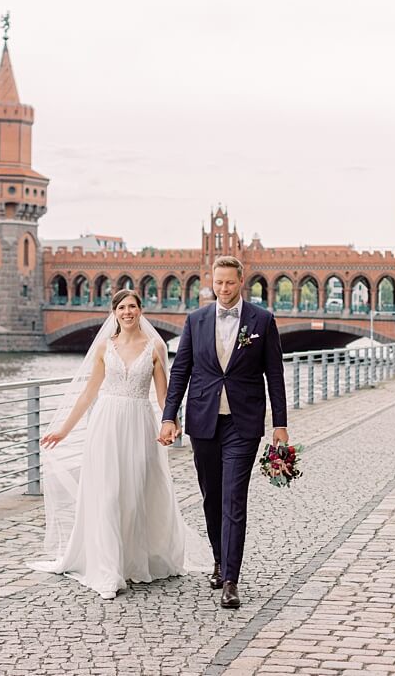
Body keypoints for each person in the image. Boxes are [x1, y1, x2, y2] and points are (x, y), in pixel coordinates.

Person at [32, 289, 210, 600]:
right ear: (114, 312)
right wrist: (63, 430)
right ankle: (108, 568)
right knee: (107, 493)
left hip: (140, 423)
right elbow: (88, 393)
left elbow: (163, 395)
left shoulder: (155, 347)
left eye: (132, 307)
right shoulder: (104, 347)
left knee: (134, 493)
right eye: (122, 307)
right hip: (106, 424)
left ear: (141, 310)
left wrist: (172, 422)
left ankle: (133, 561)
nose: (127, 312)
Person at [159, 255, 288, 609]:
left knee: (234, 499)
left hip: (243, 423)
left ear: (241, 281)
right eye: (218, 283)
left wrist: (280, 424)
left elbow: (274, 375)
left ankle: (231, 579)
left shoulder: (262, 320)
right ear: (211, 282)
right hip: (204, 421)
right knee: (211, 497)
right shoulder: (196, 320)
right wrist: (169, 417)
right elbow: (180, 371)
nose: (224, 289)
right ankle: (218, 559)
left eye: (230, 283)